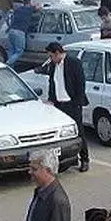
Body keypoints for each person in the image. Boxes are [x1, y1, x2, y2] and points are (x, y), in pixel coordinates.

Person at [39, 43, 89, 171]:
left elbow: (80, 84)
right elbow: (52, 83)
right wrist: (51, 99)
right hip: (58, 104)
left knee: (78, 132)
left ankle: (84, 159)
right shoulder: (53, 66)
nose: (50, 59)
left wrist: (77, 102)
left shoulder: (74, 63)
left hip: (72, 104)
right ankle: (64, 160)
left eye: (51, 56)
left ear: (57, 53)